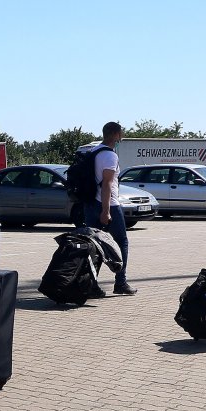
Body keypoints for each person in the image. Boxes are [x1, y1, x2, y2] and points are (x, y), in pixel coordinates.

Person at [78, 122, 136, 295]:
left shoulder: (93, 151)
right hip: (107, 204)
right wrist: (106, 211)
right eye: (121, 134)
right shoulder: (110, 156)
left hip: (89, 204)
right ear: (116, 134)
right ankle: (121, 283)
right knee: (121, 242)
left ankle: (90, 285)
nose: (122, 137)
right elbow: (107, 184)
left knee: (93, 245)